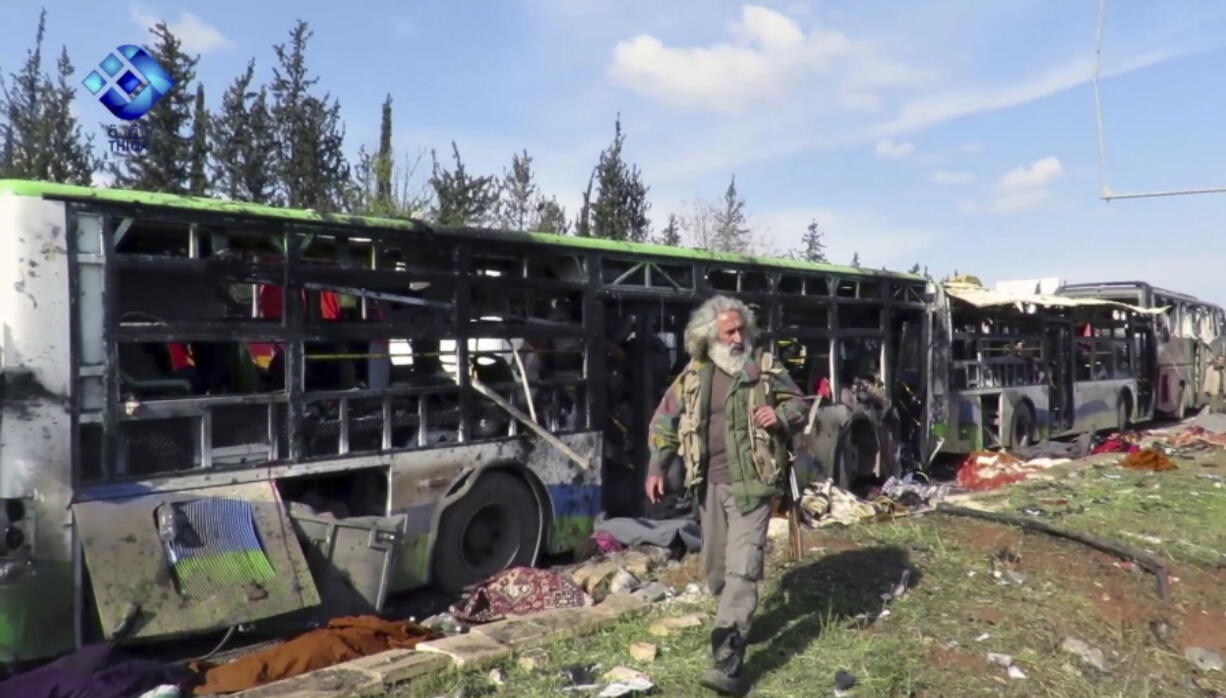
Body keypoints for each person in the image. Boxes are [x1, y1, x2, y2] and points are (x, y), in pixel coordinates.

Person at [644, 295, 806, 696]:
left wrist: (781, 416)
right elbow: (665, 418)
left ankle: (728, 660)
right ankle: (734, 617)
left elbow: (800, 403)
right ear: (708, 337)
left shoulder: (763, 367)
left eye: (741, 330)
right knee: (716, 570)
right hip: (709, 486)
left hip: (753, 485)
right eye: (728, 332)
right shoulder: (694, 374)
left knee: (742, 566)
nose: (737, 338)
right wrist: (656, 465)